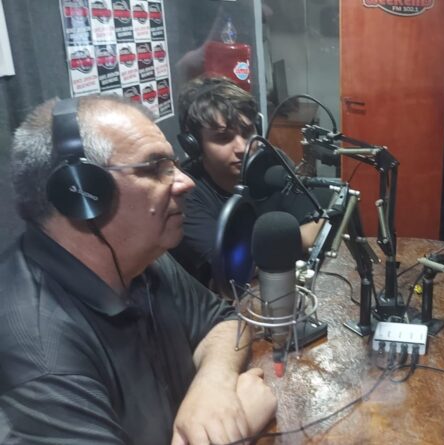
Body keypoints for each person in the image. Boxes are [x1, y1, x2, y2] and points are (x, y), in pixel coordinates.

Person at [0, 95, 276, 444]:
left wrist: (213, 386)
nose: (186, 182)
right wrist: (235, 429)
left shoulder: (141, 257)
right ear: (82, 192)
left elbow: (223, 320)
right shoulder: (39, 355)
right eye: (154, 168)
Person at [170, 76, 324, 288]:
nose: (242, 147)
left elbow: (319, 225)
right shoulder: (187, 193)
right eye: (223, 138)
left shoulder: (271, 161)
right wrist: (299, 239)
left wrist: (266, 251)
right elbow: (234, 268)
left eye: (247, 132)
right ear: (194, 145)